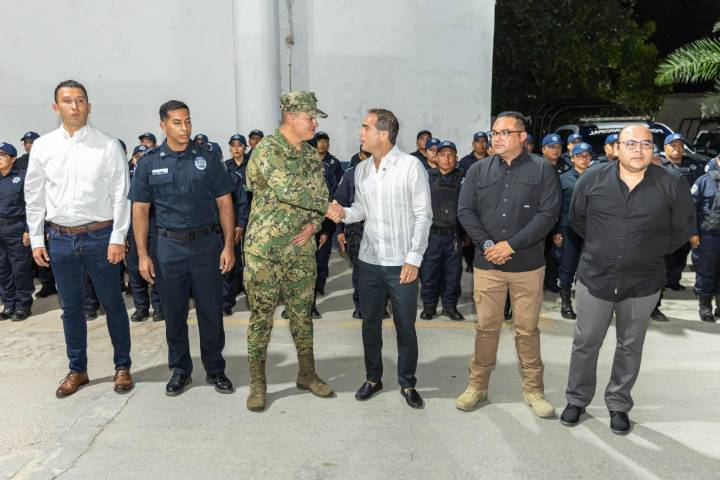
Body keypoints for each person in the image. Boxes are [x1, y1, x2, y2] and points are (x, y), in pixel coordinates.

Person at [560, 124, 695, 434]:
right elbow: (578, 220)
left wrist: (649, 251)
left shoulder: (672, 184)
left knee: (630, 346)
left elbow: (683, 227)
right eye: (631, 143)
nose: (638, 149)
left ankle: (619, 404)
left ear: (653, 149)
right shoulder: (592, 179)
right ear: (616, 149)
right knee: (585, 342)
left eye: (645, 144)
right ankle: (577, 399)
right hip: (596, 277)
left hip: (643, 282)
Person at [25, 79, 133, 398]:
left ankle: (122, 367)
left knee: (113, 303)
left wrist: (117, 236)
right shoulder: (44, 146)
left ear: (89, 105)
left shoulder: (107, 145)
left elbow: (120, 194)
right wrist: (36, 239)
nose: (75, 106)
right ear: (56, 107)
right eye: (68, 100)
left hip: (99, 237)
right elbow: (34, 195)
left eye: (81, 100)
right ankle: (77, 369)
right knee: (70, 309)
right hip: (59, 239)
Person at [455, 111, 560, 418]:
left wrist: (511, 245)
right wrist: (488, 245)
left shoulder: (542, 170)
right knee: (486, 328)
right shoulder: (477, 170)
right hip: (488, 266)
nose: (497, 138)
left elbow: (548, 215)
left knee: (527, 330)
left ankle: (533, 390)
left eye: (504, 133)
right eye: (494, 133)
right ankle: (477, 386)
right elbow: (465, 211)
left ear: (522, 137)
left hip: (527, 266)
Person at [129, 99, 236, 397]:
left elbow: (225, 202)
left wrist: (228, 245)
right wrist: (142, 255)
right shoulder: (149, 162)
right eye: (177, 122)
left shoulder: (208, 158)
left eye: (188, 121)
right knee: (174, 313)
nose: (185, 127)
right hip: (168, 248)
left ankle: (215, 369)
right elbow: (140, 210)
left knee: (211, 312)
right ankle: (180, 370)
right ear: (163, 125)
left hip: (206, 246)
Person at [243, 91, 337, 412]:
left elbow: (318, 192)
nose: (314, 123)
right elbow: (290, 189)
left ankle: (307, 373)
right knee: (262, 317)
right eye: (310, 117)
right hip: (265, 251)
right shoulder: (267, 150)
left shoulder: (311, 156)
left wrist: (314, 224)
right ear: (290, 117)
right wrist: (329, 209)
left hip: (300, 250)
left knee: (302, 314)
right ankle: (258, 382)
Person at [332, 108, 432, 409]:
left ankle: (407, 382)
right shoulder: (361, 170)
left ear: (383, 134)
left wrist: (413, 260)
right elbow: (361, 211)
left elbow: (422, 215)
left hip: (402, 263)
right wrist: (342, 213)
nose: (360, 133)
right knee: (370, 324)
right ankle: (373, 377)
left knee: (405, 326)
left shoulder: (410, 167)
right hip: (369, 261)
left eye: (366, 127)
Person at [652, 132, 706, 322]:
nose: (677, 148)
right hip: (662, 221)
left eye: (680, 145)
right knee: (660, 261)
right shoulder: (658, 164)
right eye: (672, 145)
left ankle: (672, 281)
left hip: (686, 217)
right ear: (665, 148)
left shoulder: (693, 165)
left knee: (681, 252)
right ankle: (654, 302)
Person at [419, 140, 464, 321]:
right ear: (435, 158)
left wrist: (465, 233)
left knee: (453, 274)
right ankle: (429, 307)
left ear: (456, 158)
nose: (446, 159)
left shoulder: (463, 179)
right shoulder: (425, 178)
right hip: (431, 235)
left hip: (454, 236)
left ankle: (449, 307)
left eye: (450, 155)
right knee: (429, 273)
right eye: (442, 155)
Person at [126, 145, 164, 322]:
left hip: (154, 227)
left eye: (143, 156)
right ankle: (141, 307)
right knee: (134, 270)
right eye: (137, 156)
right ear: (133, 159)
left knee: (155, 268)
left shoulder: (155, 174)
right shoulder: (125, 177)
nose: (140, 159)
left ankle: (158, 307)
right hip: (132, 230)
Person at [555, 142, 593, 319]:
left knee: (588, 268)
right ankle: (565, 303)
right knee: (568, 265)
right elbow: (556, 207)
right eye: (579, 156)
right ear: (572, 159)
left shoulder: (596, 177)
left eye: (586, 155)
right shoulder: (563, 179)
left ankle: (585, 304)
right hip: (568, 230)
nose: (583, 159)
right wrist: (556, 231)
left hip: (592, 230)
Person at [0, 142, 33, 321]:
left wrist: (28, 230)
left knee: (20, 269)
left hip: (16, 228)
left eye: (3, 155)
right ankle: (9, 304)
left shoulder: (21, 177)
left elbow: (31, 206)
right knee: (3, 269)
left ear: (13, 159)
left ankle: (23, 305)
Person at [222, 134, 251, 316]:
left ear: (245, 147)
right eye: (233, 145)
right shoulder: (225, 168)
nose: (236, 148)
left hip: (252, 216)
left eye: (240, 145)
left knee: (249, 258)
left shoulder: (252, 165)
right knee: (229, 259)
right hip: (230, 219)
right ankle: (227, 300)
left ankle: (249, 291)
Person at [690, 157, 720, 322]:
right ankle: (705, 306)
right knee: (706, 271)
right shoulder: (704, 181)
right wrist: (693, 234)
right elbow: (691, 209)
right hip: (709, 236)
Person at [540, 133, 568, 294]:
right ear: (543, 149)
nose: (556, 150)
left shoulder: (565, 166)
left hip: (559, 216)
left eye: (558, 147)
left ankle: (551, 281)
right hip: (540, 215)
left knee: (554, 254)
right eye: (552, 147)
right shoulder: (536, 166)